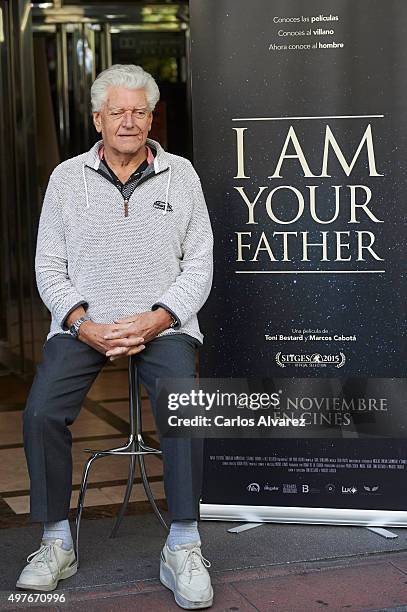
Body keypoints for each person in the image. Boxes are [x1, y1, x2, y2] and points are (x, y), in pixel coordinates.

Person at [16, 64, 214, 610]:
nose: (129, 121)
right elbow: (48, 267)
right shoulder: (65, 178)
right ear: (98, 118)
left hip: (163, 323)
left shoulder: (182, 175)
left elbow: (200, 265)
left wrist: (160, 317)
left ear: (152, 117)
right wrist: (82, 323)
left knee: (184, 403)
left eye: (139, 111)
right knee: (40, 413)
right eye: (117, 111)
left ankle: (184, 545)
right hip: (85, 325)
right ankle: (56, 541)